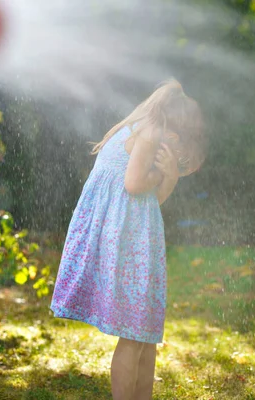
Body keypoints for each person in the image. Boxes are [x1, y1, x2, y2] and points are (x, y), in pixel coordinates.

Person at [50, 79, 206, 400]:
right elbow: (135, 185)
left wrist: (170, 177)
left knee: (145, 335)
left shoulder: (148, 128)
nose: (177, 150)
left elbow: (151, 200)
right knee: (133, 336)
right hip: (125, 241)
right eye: (180, 145)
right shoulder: (149, 133)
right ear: (174, 131)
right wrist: (163, 173)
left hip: (135, 235)